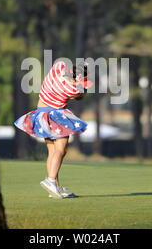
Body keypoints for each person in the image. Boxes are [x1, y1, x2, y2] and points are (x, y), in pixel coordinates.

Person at [14, 60, 93, 199]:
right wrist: (81, 82)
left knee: (52, 151)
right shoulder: (72, 89)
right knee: (61, 150)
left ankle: (55, 187)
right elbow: (80, 95)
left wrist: (80, 70)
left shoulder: (58, 67)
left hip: (40, 114)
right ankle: (50, 181)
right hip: (55, 116)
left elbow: (64, 66)